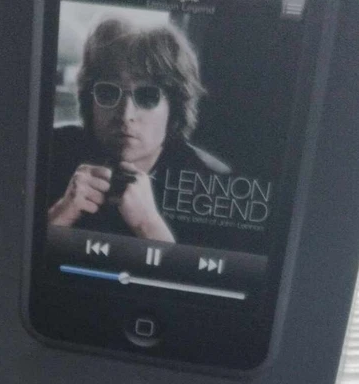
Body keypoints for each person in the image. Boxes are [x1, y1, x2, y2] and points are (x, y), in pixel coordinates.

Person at [48, 17, 229, 242]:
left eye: (147, 96)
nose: (126, 115)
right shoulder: (52, 150)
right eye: (108, 92)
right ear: (89, 100)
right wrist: (61, 213)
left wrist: (149, 225)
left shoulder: (210, 183)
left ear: (174, 107)